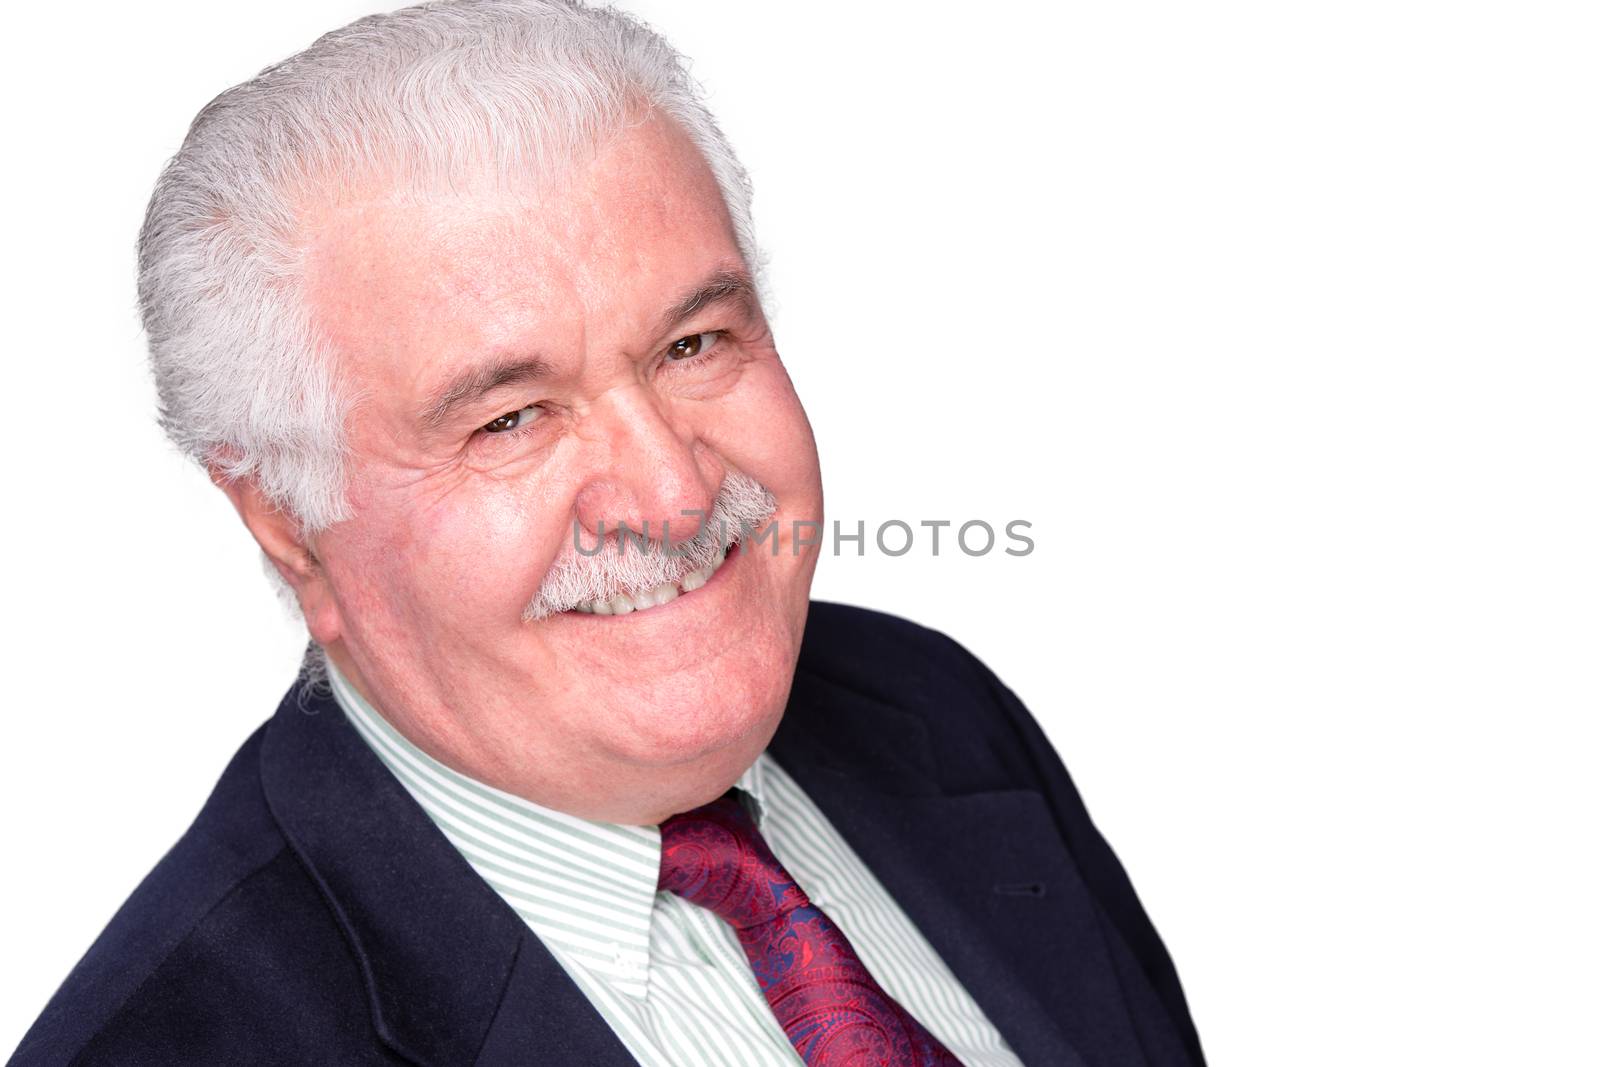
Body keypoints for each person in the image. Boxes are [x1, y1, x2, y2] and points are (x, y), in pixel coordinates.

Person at [10, 1, 1204, 1064]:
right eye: (511, 417)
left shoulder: (932, 708)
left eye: (693, 346)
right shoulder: (183, 1037)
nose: (672, 497)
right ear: (289, 523)